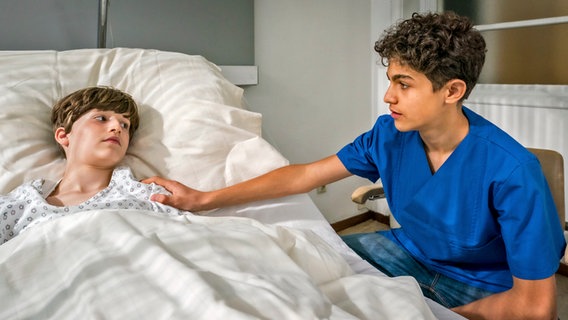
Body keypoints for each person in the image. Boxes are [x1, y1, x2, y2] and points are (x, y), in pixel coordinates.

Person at [143, 12, 566, 319]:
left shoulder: (513, 172)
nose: (388, 97)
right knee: (293, 268)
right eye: (390, 81)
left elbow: (535, 307)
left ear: (452, 91)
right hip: (404, 253)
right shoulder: (389, 134)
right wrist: (204, 198)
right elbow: (305, 175)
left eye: (404, 84)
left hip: (482, 283)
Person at [0, 86, 181, 244]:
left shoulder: (147, 195)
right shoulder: (24, 201)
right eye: (102, 118)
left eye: (125, 125)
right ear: (63, 135)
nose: (116, 127)